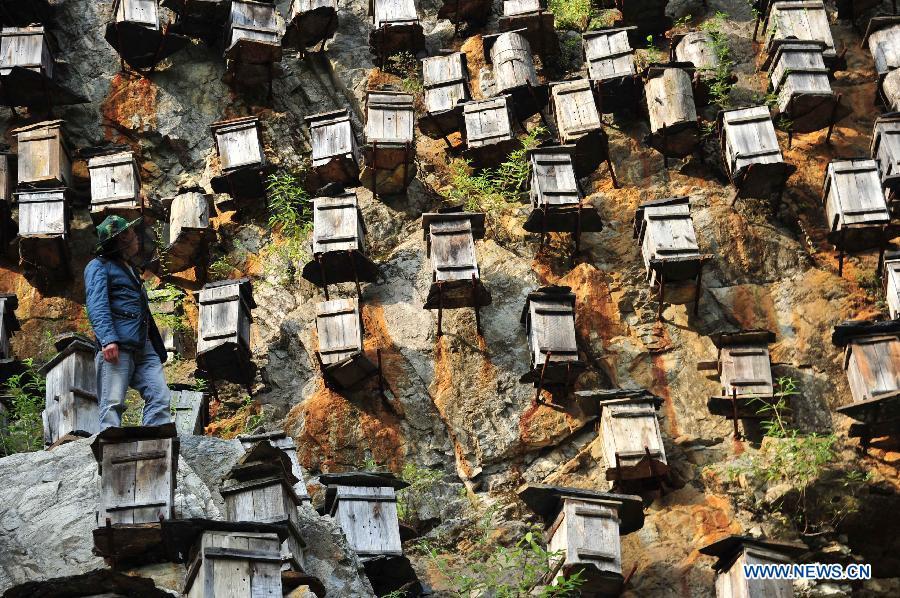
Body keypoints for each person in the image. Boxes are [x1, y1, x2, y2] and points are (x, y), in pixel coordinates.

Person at [84, 215, 171, 430]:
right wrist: (108, 340)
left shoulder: (131, 269)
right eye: (131, 233)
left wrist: (155, 346)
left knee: (160, 396)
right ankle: (112, 456)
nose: (136, 237)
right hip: (118, 346)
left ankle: (153, 445)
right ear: (122, 238)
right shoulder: (98, 266)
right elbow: (97, 304)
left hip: (143, 345)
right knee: (112, 403)